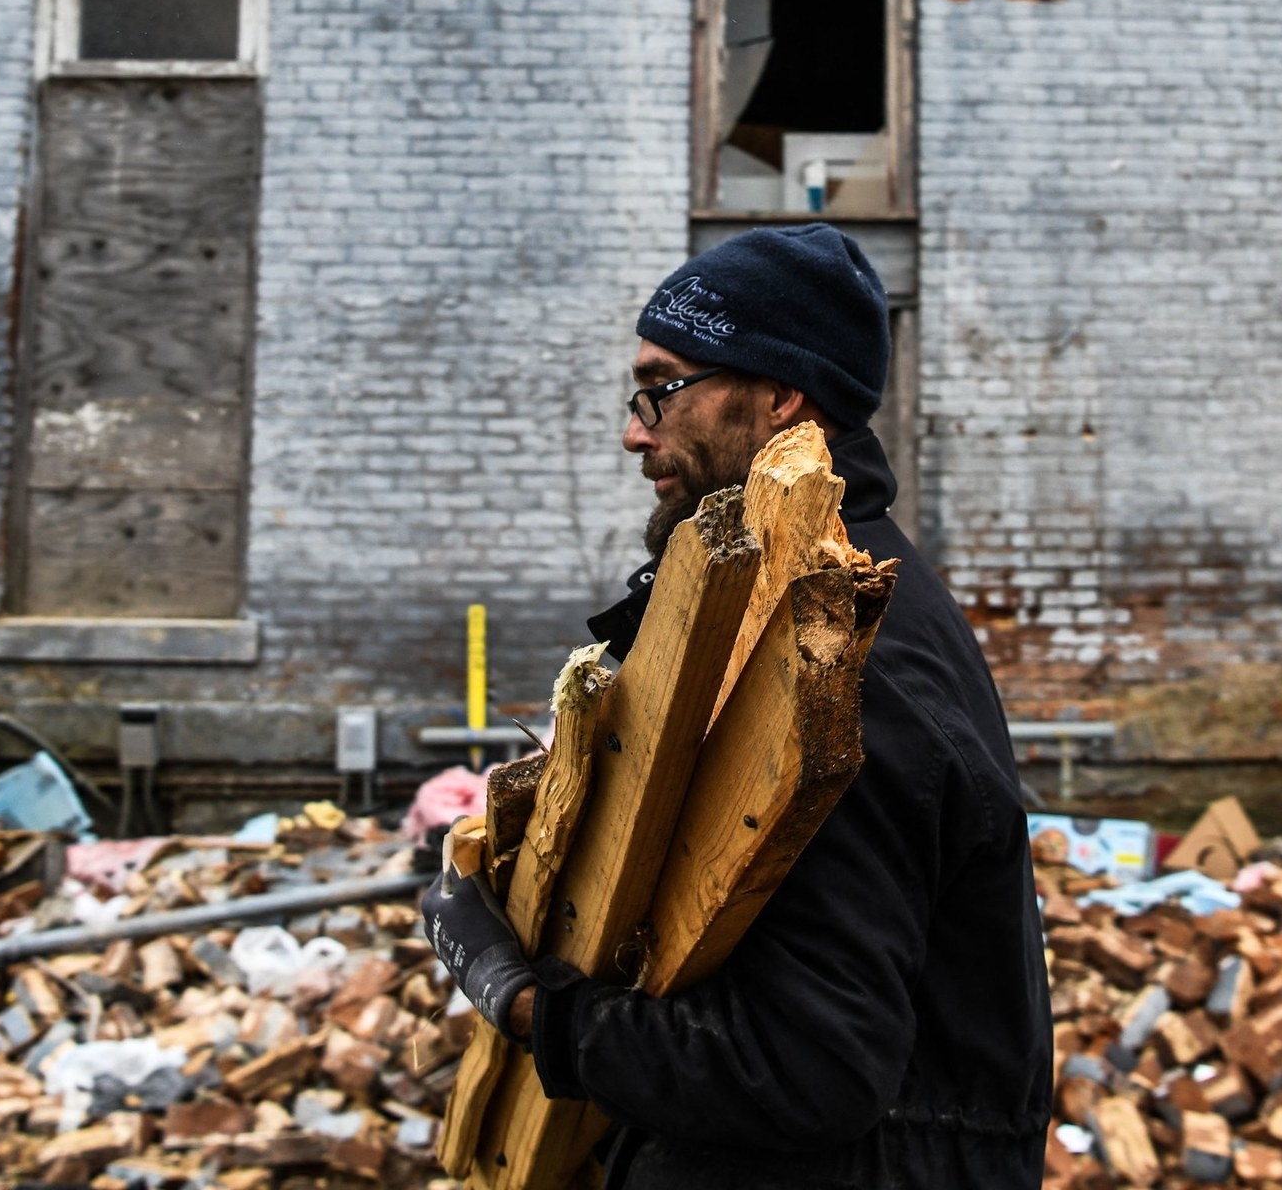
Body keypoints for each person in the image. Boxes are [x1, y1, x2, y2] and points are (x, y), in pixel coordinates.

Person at [422, 224, 1052, 1188]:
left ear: (779, 399)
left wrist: (520, 1002)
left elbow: (809, 1070)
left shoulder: (836, 657)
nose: (637, 429)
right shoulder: (760, 613)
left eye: (664, 387)